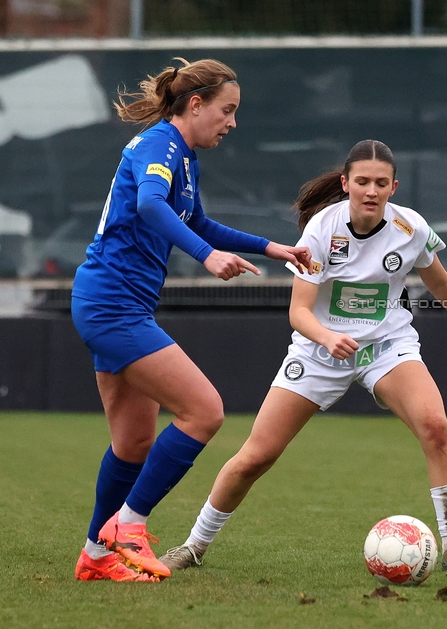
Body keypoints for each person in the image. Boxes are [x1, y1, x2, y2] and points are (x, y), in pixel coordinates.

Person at [157, 139, 447, 575]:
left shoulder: (411, 229)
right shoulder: (321, 229)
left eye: (380, 183)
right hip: (319, 353)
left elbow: (440, 282)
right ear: (345, 183)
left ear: (394, 186)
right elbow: (298, 312)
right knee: (256, 456)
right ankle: (193, 547)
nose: (371, 191)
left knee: (435, 427)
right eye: (362, 182)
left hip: (386, 348)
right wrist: (328, 337)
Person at [71, 58, 312, 582]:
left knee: (133, 442)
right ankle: (128, 526)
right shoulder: (160, 146)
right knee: (204, 411)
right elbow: (152, 206)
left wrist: (273, 248)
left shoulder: (182, 155)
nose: (232, 123)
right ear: (196, 105)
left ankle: (95, 554)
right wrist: (205, 256)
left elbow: (193, 219)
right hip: (112, 303)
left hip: (116, 303)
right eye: (227, 110)